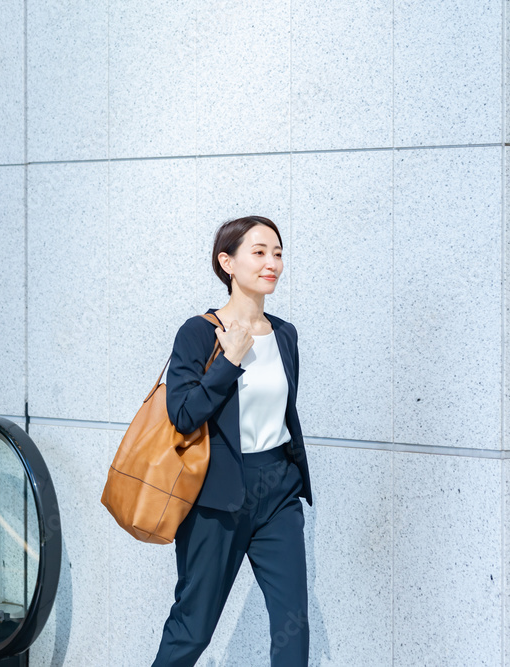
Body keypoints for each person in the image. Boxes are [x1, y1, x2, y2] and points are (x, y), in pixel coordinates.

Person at [152, 216, 314, 667]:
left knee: (292, 624)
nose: (272, 263)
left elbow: (282, 411)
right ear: (227, 262)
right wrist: (231, 360)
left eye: (278, 253)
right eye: (259, 252)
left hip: (278, 490)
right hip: (216, 498)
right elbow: (183, 415)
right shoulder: (199, 333)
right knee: (193, 628)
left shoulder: (285, 334)